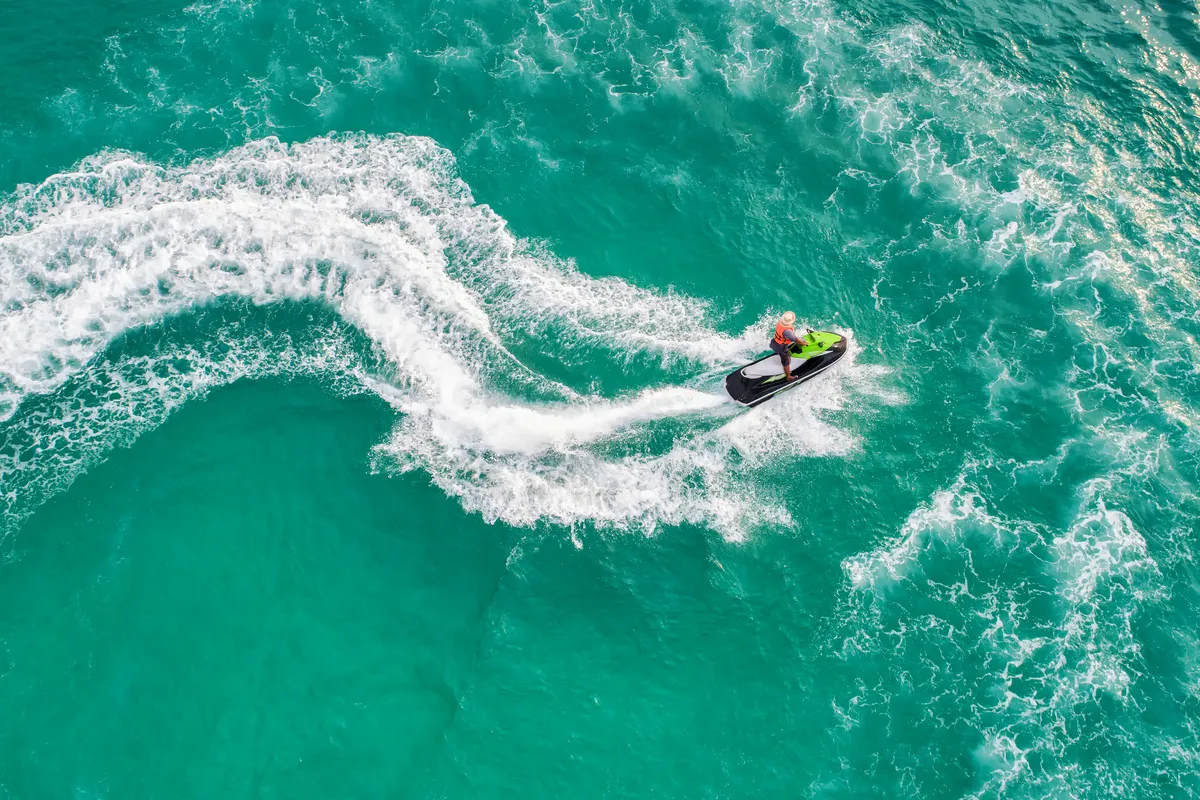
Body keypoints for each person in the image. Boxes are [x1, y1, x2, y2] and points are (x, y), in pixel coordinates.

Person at [770, 311, 804, 380]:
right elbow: (795, 339)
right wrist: (803, 343)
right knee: (786, 361)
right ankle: (788, 376)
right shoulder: (787, 331)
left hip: (774, 342)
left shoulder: (780, 322)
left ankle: (780, 354)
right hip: (781, 347)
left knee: (783, 353)